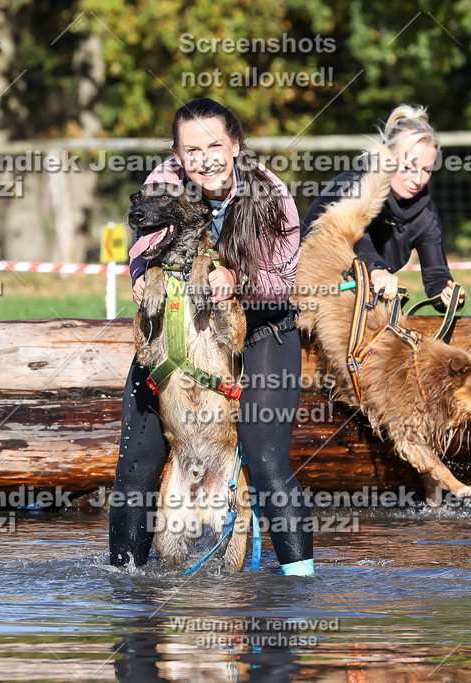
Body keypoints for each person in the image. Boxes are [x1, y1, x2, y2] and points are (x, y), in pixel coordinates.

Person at [109, 98, 315, 577]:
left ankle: (299, 589)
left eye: (215, 145)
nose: (205, 159)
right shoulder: (164, 182)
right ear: (178, 155)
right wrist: (140, 273)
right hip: (182, 334)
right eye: (192, 150)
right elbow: (142, 236)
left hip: (263, 328)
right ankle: (124, 587)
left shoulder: (271, 193)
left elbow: (284, 282)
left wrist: (234, 280)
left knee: (265, 461)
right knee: (135, 468)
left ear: (236, 144)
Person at [301, 104, 466, 312]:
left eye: (427, 170)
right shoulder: (353, 186)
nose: (418, 179)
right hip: (309, 287)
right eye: (408, 167)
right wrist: (376, 269)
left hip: (361, 294)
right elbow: (355, 236)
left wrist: (448, 295)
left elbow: (436, 277)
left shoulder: (426, 213)